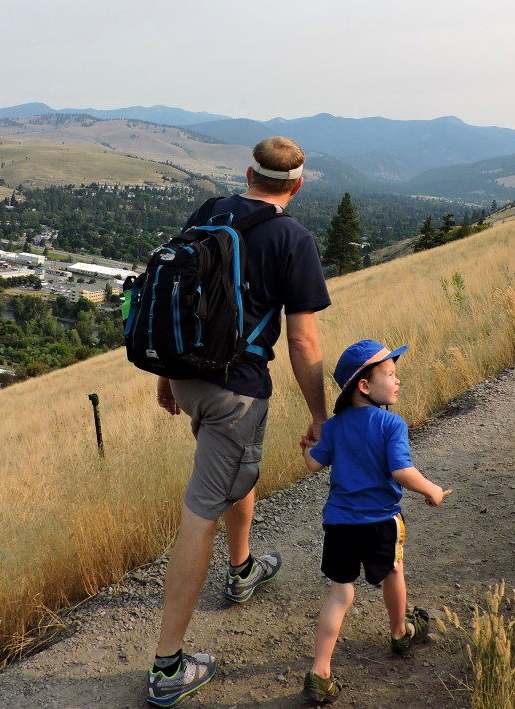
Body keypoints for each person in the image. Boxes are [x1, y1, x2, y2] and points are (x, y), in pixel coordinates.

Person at [147, 136, 331, 707]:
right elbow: (301, 340)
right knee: (200, 513)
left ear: (245, 173)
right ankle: (167, 667)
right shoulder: (293, 237)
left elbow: (178, 296)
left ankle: (243, 567)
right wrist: (320, 415)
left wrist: (166, 373)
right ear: (297, 185)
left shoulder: (210, 212)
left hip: (188, 375)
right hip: (237, 389)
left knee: (233, 474)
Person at [300, 339, 448, 705]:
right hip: (380, 521)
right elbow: (401, 470)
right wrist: (432, 490)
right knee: (393, 570)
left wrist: (306, 446)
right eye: (391, 375)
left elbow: (314, 464)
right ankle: (400, 632)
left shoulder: (333, 427)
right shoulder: (390, 424)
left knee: (340, 593)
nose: (398, 382)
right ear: (364, 386)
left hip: (338, 525)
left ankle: (320, 672)